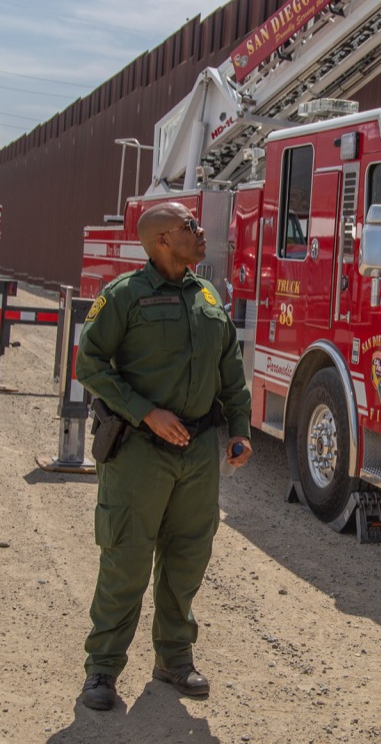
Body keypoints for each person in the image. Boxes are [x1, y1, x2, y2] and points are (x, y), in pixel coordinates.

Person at [73, 201, 253, 712]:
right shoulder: (123, 296)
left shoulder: (208, 296)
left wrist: (238, 430)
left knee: (187, 557)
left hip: (197, 453)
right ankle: (102, 670)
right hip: (139, 451)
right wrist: (145, 412)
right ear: (162, 242)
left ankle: (174, 659)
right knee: (126, 559)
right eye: (190, 227)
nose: (201, 232)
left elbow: (230, 370)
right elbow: (89, 364)